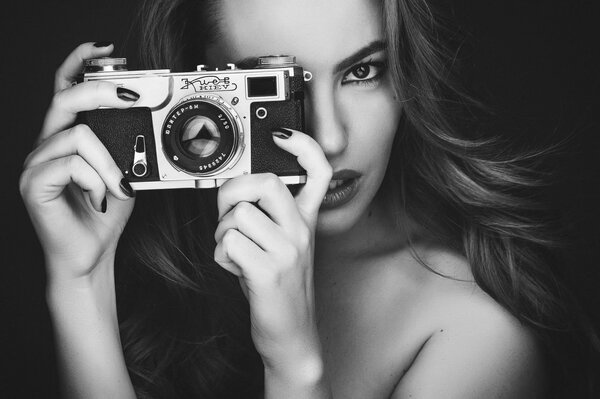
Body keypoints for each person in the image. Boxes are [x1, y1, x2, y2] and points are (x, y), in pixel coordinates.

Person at [19, 0, 599, 398]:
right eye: (274, 88)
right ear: (195, 93)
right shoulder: (179, 251)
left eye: (363, 71)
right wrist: (81, 281)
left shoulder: (475, 337)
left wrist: (294, 364)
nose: (329, 137)